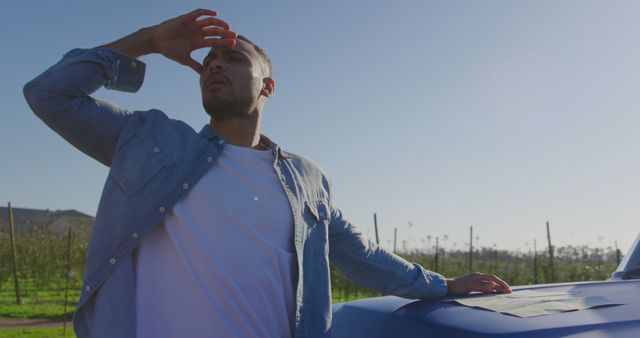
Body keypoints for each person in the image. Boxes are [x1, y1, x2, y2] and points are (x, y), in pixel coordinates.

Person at [24, 9, 511, 338]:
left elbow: (358, 254)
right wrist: (148, 42)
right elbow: (50, 93)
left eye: (233, 59)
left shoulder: (306, 178)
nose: (215, 66)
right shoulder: (150, 142)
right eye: (209, 61)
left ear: (268, 86)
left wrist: (442, 285)